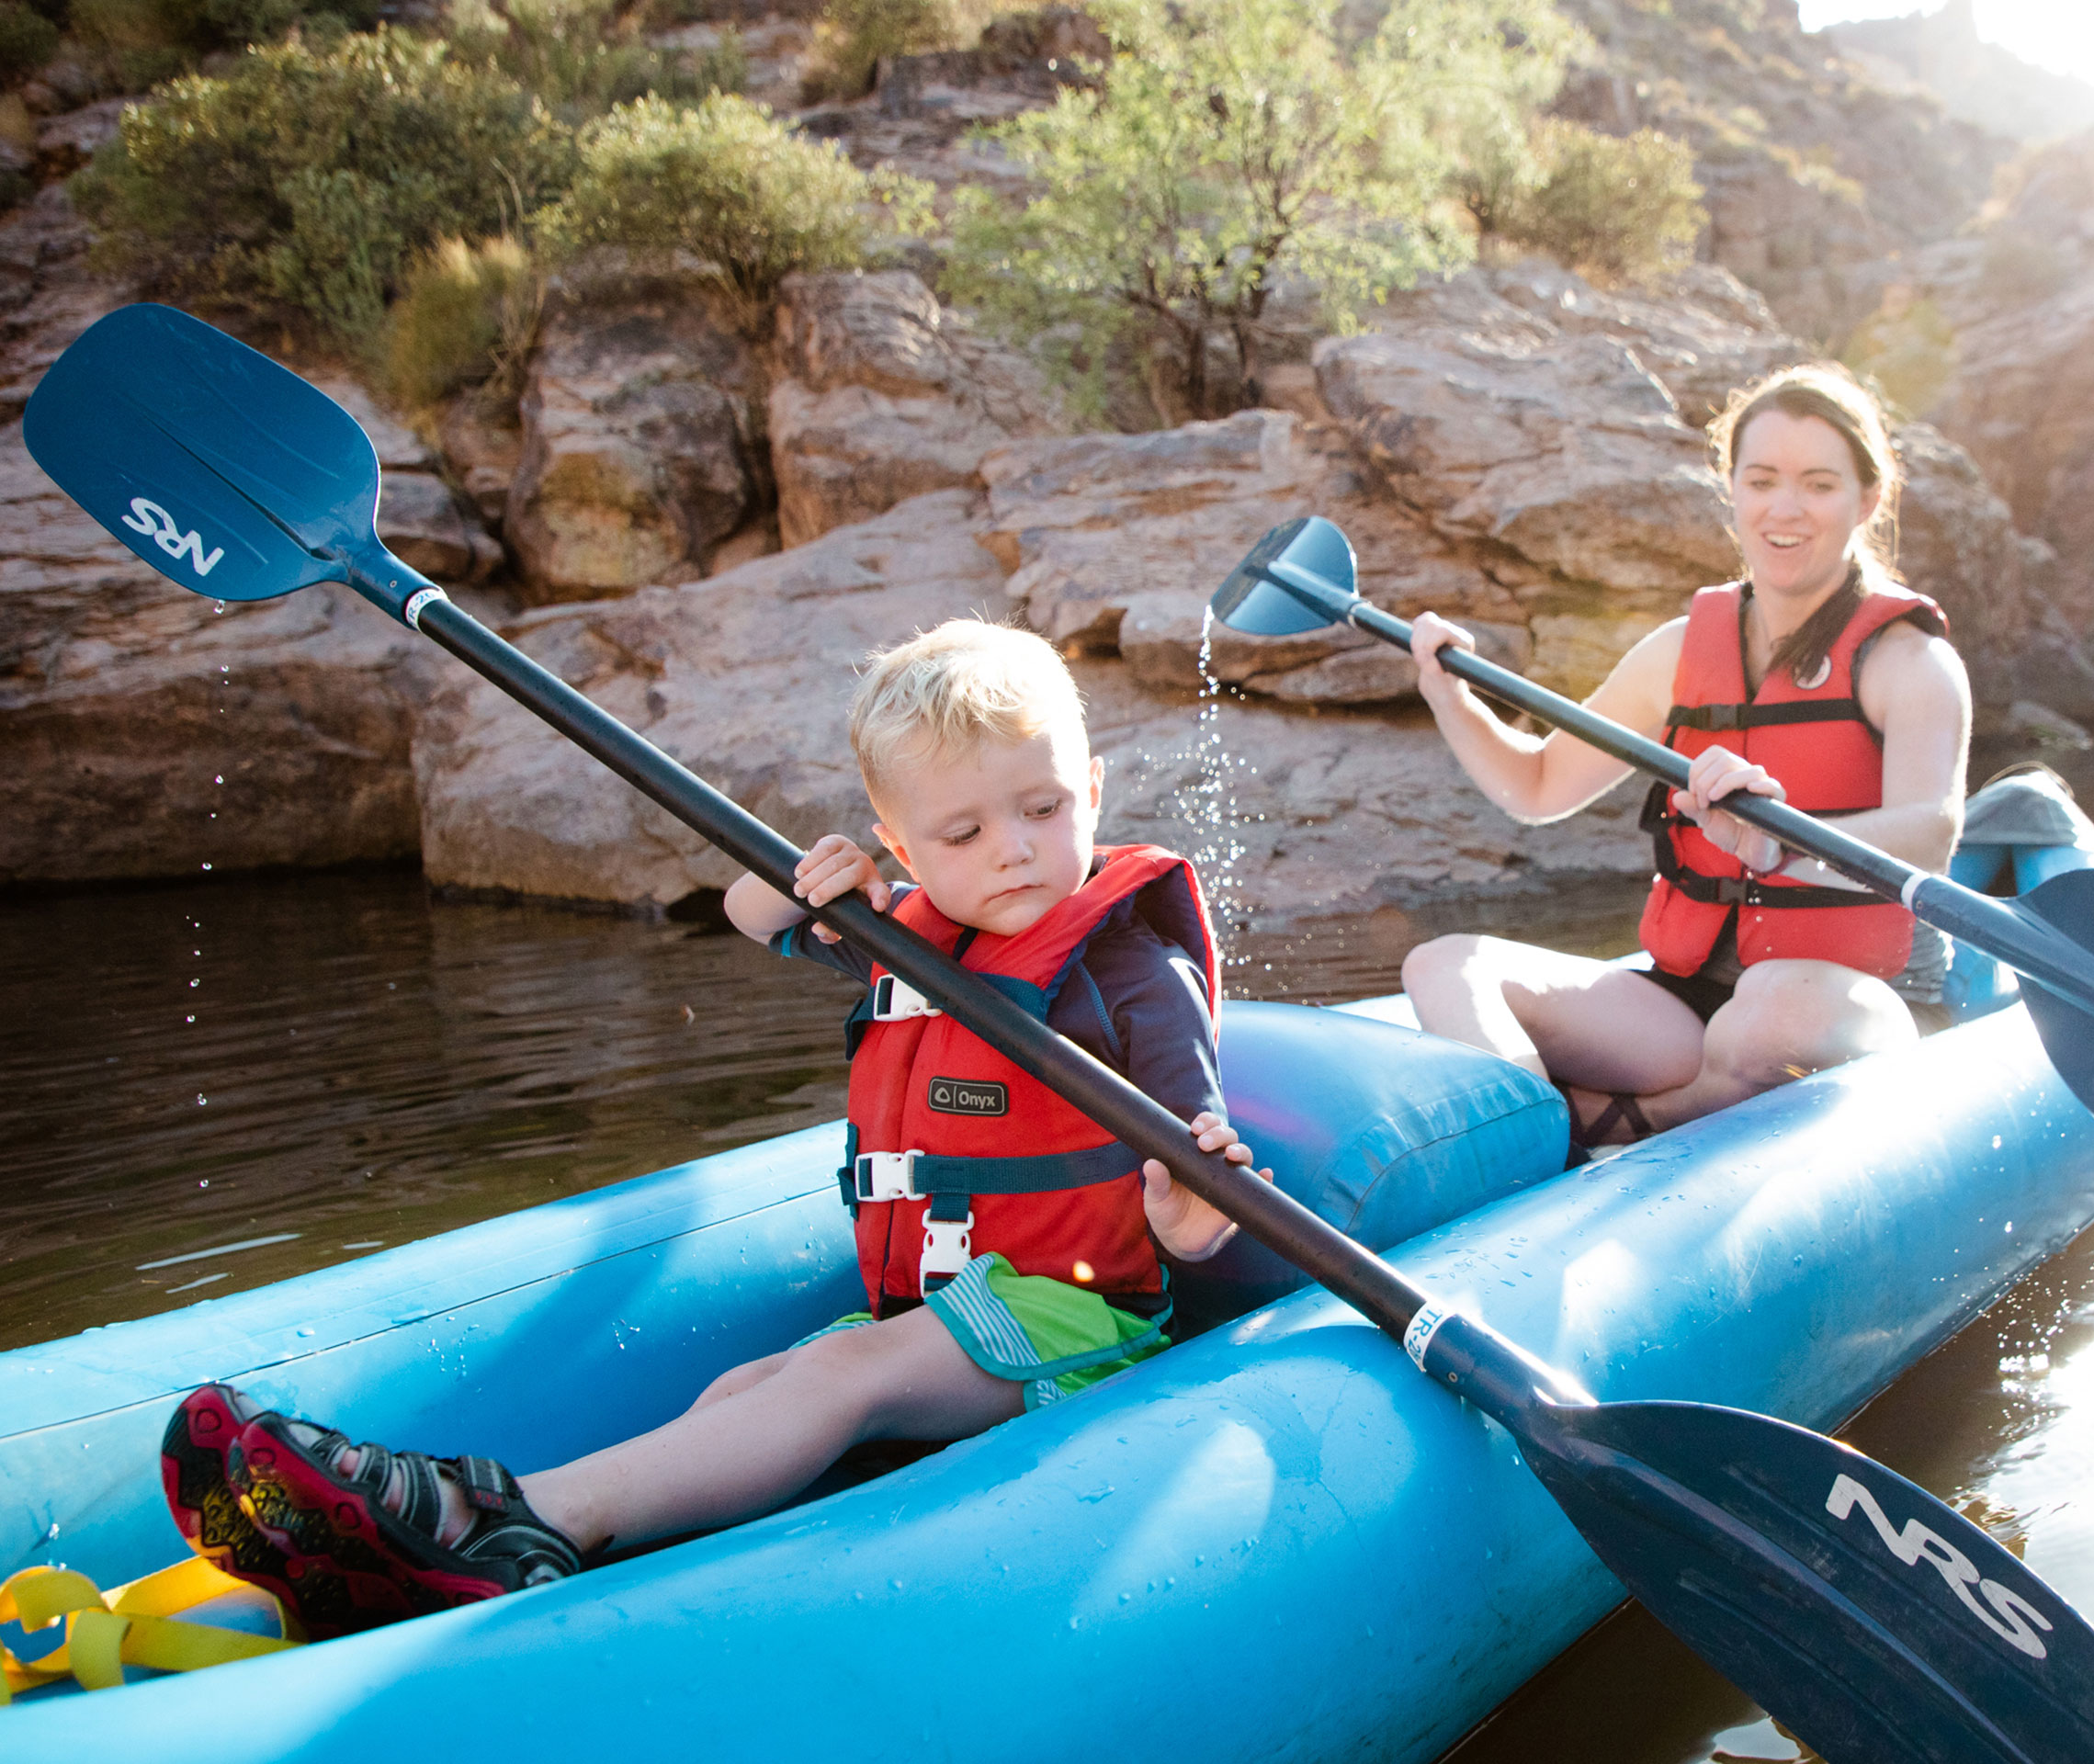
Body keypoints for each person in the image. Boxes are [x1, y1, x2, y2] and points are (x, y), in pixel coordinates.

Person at [161, 619, 1267, 1637]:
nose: (1014, 852)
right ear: (904, 846)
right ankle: (576, 1552)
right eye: (964, 832)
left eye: (1044, 810)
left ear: (1094, 788)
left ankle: (500, 1520)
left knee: (840, 1380)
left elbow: (1196, 1190)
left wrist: (1188, 1209)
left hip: (1079, 1325)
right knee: (747, 1392)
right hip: (950, 1312)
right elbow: (749, 914)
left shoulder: (1132, 965)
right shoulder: (920, 934)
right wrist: (805, 883)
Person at [1399, 363, 1971, 1153]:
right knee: (1444, 966)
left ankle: (1613, 1123)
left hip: (1848, 1002)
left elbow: (1930, 831)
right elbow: (1534, 786)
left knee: (1767, 1010)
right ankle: (1529, 1155)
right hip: (1685, 1005)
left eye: (1818, 484)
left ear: (1866, 501)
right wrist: (1446, 694)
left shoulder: (1908, 662)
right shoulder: (1677, 652)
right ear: (1730, 488)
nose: (1785, 508)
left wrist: (1779, 842)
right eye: (1762, 479)